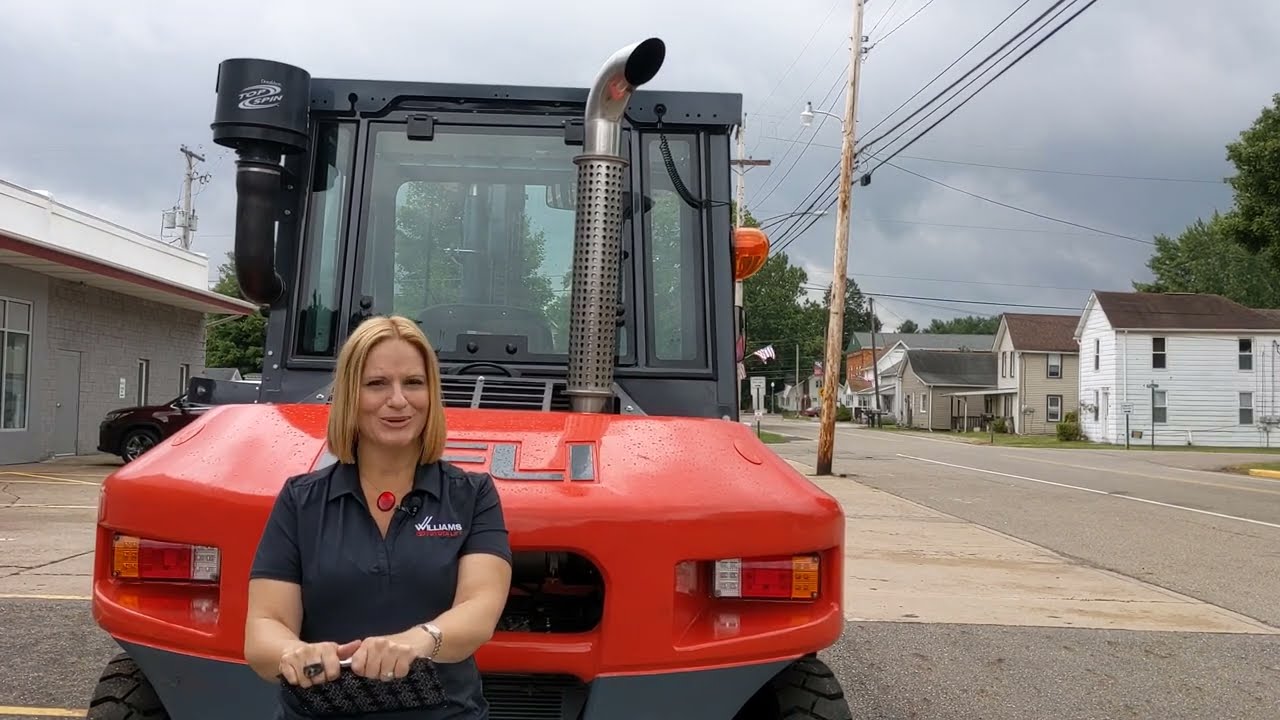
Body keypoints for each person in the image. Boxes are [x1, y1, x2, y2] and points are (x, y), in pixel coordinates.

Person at [243, 315, 513, 719]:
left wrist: (418, 641)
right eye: (377, 384)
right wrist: (296, 655)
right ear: (350, 395)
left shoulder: (472, 496)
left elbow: (480, 609)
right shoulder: (301, 501)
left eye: (414, 383)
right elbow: (265, 627)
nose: (399, 400)